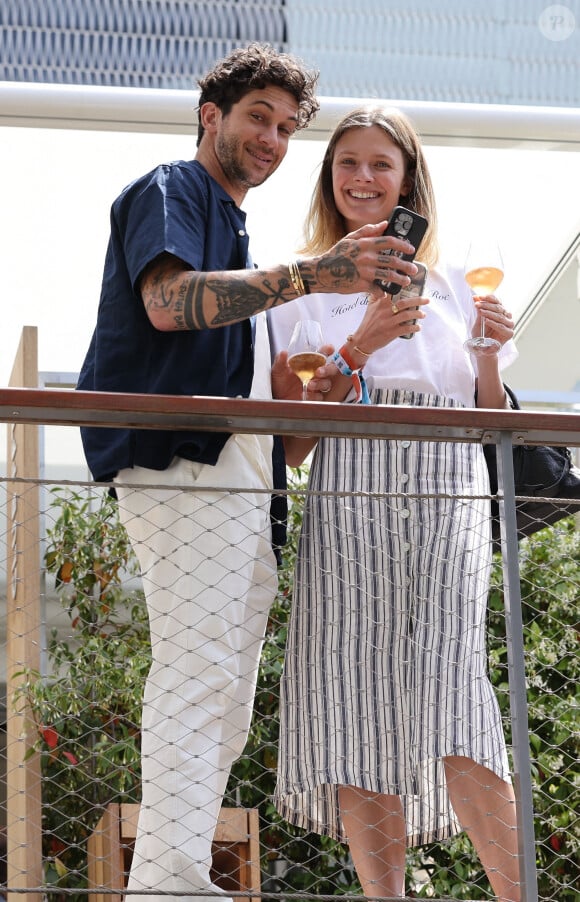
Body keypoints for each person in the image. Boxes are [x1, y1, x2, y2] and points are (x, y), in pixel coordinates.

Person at [76, 46, 416, 902]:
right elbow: (166, 302)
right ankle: (167, 882)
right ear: (211, 115)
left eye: (285, 127)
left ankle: (171, 871)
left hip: (237, 473)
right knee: (196, 669)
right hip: (182, 463)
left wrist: (306, 371)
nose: (270, 138)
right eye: (256, 117)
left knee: (222, 682)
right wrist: (316, 275)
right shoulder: (172, 188)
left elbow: (225, 338)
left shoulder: (233, 226)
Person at [268, 106, 521, 901]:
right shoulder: (301, 285)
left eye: (381, 164)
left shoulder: (451, 285)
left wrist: (486, 354)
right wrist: (362, 342)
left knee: (455, 688)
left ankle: (520, 895)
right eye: (348, 163)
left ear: (408, 180)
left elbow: (493, 423)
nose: (364, 179)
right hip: (348, 488)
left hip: (448, 485)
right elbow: (293, 445)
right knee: (353, 696)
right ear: (329, 179)